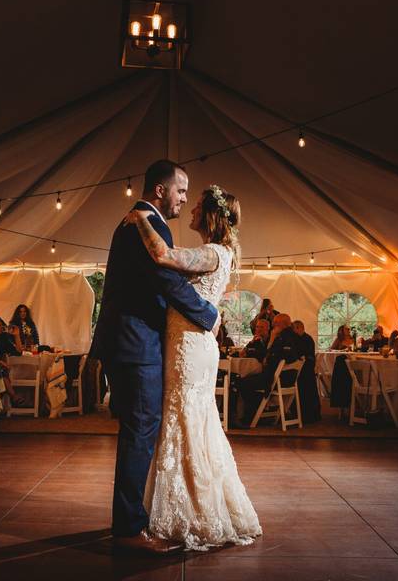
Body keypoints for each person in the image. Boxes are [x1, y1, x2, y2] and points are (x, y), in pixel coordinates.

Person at [90, 159, 220, 554]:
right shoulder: (147, 224)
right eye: (181, 190)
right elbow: (167, 280)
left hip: (126, 341)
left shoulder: (135, 222)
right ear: (160, 191)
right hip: (135, 342)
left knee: (137, 431)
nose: (184, 198)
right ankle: (129, 530)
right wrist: (209, 315)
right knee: (140, 431)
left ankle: (127, 519)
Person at [125, 177, 261, 551]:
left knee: (185, 417)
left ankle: (194, 510)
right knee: (187, 418)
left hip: (190, 346)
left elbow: (164, 257)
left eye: (198, 204)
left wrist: (140, 220)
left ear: (213, 215)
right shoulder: (215, 252)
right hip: (186, 342)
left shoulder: (214, 252)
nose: (192, 207)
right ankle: (182, 502)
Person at [238, 313, 302, 426]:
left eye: (276, 323)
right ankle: (260, 409)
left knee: (242, 382)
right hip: (284, 377)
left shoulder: (285, 337)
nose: (274, 325)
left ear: (283, 324)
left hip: (276, 378)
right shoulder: (287, 336)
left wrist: (271, 342)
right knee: (245, 380)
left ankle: (250, 416)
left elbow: (274, 356)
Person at [292, 320, 322, 423]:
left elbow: (308, 355)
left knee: (306, 389)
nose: (293, 331)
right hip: (302, 367)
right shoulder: (297, 338)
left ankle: (309, 415)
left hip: (307, 368)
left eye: (294, 328)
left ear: (300, 328)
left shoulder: (307, 339)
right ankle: (299, 413)